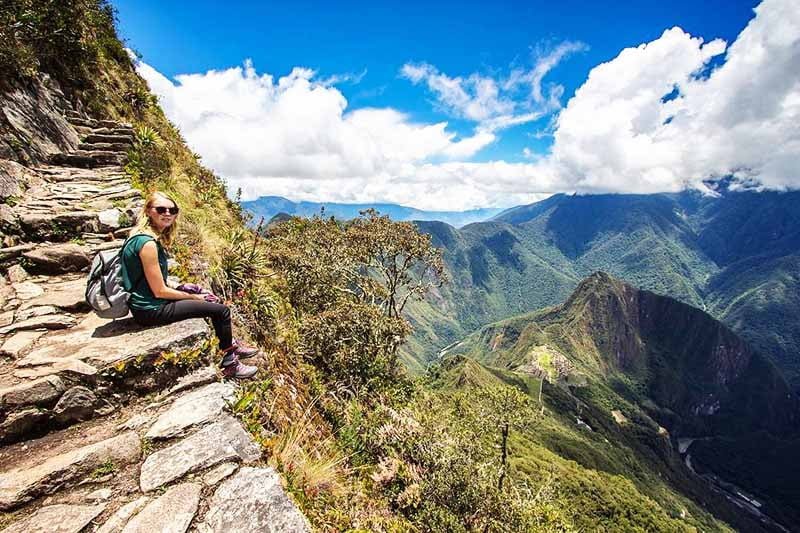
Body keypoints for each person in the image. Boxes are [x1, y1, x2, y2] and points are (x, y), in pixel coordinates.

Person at [120, 191, 258, 379]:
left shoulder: (139, 236)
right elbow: (159, 291)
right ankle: (230, 363)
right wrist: (193, 297)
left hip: (147, 303)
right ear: (148, 211)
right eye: (161, 209)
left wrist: (185, 288)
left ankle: (229, 343)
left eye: (172, 210)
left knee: (209, 299)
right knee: (220, 311)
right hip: (150, 309)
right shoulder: (148, 244)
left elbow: (150, 280)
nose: (167, 213)